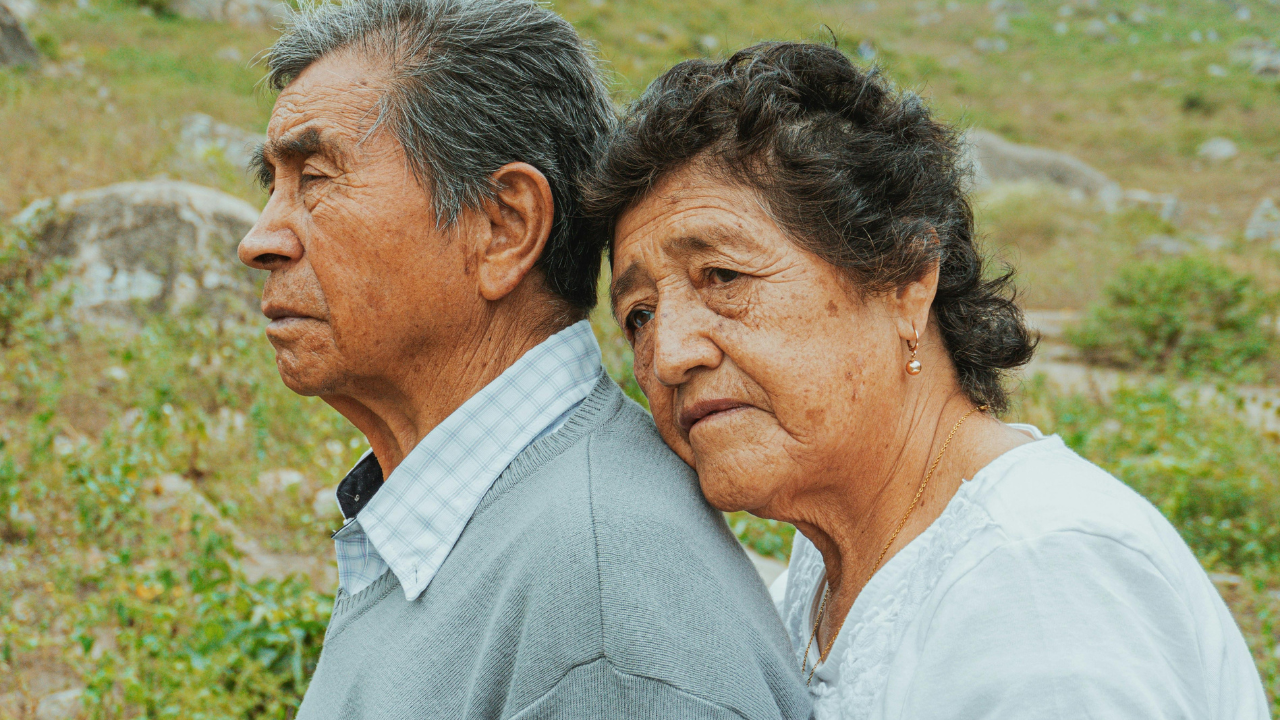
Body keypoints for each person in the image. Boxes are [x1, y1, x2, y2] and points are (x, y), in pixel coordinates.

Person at [586, 42, 1269, 719]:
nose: (668, 356)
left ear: (908, 281)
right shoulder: (826, 575)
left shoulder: (1041, 581)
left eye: (724, 277)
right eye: (639, 315)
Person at [237, 3, 812, 718]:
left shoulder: (601, 595)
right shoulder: (482, 525)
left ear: (503, 227)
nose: (260, 239)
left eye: (315, 179)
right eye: (273, 186)